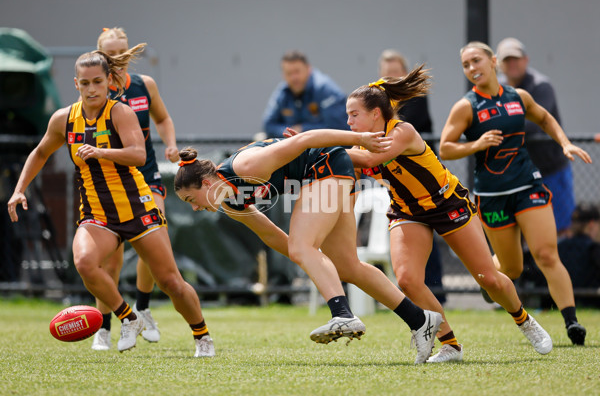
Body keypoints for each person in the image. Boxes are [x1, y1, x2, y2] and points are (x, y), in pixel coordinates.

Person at [6, 45, 214, 357]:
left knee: (170, 281)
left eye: (97, 82)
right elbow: (40, 152)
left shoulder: (120, 112)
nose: (92, 89)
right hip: (97, 212)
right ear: (76, 84)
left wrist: (101, 152)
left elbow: (138, 153)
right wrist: (19, 188)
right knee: (85, 263)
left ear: (108, 82)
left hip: (136, 205)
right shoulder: (64, 120)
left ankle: (202, 336)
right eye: (85, 83)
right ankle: (128, 318)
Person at [174, 130, 444, 364]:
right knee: (347, 266)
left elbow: (307, 139)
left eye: (191, 199)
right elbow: (272, 236)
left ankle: (342, 314)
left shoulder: (246, 167)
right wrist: (309, 258)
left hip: (326, 166)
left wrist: (359, 138)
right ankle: (420, 320)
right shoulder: (232, 204)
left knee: (304, 246)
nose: (196, 207)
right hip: (326, 172)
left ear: (207, 183)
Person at [344, 65, 553, 363]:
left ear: (376, 114)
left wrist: (312, 145)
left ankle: (524, 320)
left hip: (447, 205)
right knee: (407, 280)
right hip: (407, 210)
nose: (348, 121)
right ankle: (450, 345)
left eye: (354, 114)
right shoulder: (356, 144)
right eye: (348, 115)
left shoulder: (402, 131)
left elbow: (370, 158)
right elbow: (349, 168)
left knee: (488, 278)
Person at [439, 41, 591, 346]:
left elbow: (545, 118)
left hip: (527, 185)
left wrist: (564, 142)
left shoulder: (518, 97)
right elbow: (445, 147)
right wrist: (476, 145)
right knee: (511, 268)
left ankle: (572, 322)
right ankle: (489, 275)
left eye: (476, 61)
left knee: (547, 253)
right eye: (466, 65)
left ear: (493, 61)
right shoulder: (466, 106)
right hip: (492, 194)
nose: (472, 68)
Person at [88, 27, 179, 351]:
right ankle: (104, 327)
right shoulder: (96, 91)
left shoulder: (144, 85)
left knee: (156, 242)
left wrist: (170, 145)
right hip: (111, 181)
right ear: (100, 57)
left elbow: (164, 119)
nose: (119, 59)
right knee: (110, 261)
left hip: (147, 175)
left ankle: (142, 306)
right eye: (111, 54)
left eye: (123, 52)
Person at [378, 49, 445, 304]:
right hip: (395, 177)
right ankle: (411, 291)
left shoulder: (414, 97)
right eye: (387, 72)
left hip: (423, 176)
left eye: (396, 72)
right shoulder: (379, 101)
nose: (391, 77)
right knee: (407, 232)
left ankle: (437, 289)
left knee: (432, 229)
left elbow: (405, 127)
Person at [496, 37, 575, 238]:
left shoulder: (541, 86)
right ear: (499, 64)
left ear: (526, 60)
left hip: (551, 170)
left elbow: (534, 124)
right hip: (517, 174)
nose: (512, 64)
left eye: (516, 58)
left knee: (560, 229)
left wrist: (500, 125)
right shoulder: (496, 88)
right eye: (507, 60)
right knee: (521, 231)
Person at [262, 50, 349, 138]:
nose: (294, 78)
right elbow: (268, 125)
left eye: (297, 72)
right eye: (289, 73)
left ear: (308, 69)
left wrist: (302, 130)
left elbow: (337, 128)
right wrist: (288, 132)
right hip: (297, 148)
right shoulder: (282, 92)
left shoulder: (325, 89)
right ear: (283, 75)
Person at [558, 204, 600, 308]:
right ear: (591, 224)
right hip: (591, 301)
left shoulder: (560, 247)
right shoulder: (593, 248)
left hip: (561, 301)